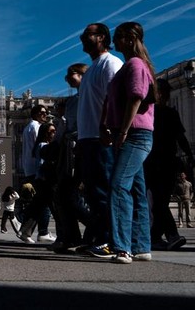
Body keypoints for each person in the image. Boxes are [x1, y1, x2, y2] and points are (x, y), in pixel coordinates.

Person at [94, 21, 156, 264]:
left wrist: (123, 132)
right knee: (137, 190)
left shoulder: (135, 64)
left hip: (134, 134)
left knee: (118, 186)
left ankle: (122, 247)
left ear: (130, 39)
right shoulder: (132, 65)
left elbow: (136, 98)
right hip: (134, 133)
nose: (114, 41)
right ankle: (141, 246)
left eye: (118, 36)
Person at [77, 23, 123, 255]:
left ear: (103, 37)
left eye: (89, 35)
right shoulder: (91, 69)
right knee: (93, 193)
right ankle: (98, 237)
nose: (83, 38)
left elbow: (115, 99)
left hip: (101, 138)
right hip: (87, 138)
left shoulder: (111, 63)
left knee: (104, 191)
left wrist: (108, 127)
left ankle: (110, 241)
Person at [146, 78, 192, 250]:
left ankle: (155, 237)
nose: (166, 96)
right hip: (155, 161)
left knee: (161, 202)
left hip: (163, 161)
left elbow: (181, 137)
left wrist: (188, 154)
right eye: (163, 92)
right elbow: (181, 137)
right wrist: (189, 154)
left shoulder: (166, 113)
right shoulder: (152, 112)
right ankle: (171, 235)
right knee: (159, 201)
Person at [51, 63, 88, 253]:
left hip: (85, 146)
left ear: (83, 75)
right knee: (63, 195)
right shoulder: (72, 101)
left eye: (71, 74)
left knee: (75, 195)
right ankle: (72, 237)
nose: (67, 79)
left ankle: (97, 229)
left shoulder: (93, 95)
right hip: (69, 150)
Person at [21, 105, 47, 182]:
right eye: (42, 113)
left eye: (46, 112)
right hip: (36, 167)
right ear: (35, 115)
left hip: (28, 167)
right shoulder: (37, 126)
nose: (45, 115)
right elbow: (39, 145)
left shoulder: (27, 127)